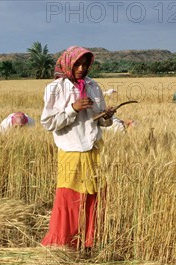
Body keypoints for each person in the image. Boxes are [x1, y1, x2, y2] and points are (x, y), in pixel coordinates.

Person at [40, 46, 115, 250]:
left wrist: (106, 116)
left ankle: (88, 240)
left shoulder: (93, 86)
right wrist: (73, 109)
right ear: (67, 64)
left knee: (93, 194)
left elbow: (98, 120)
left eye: (85, 64)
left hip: (93, 148)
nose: (81, 68)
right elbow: (48, 123)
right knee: (70, 197)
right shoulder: (55, 88)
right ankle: (64, 242)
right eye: (77, 64)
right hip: (71, 149)